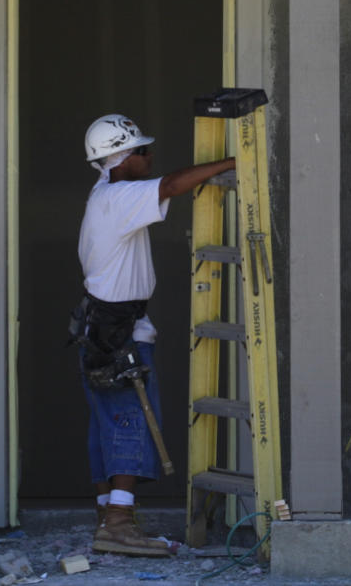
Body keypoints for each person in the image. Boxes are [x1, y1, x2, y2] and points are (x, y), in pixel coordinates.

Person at [76, 113, 235, 557]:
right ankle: (118, 523)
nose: (150, 156)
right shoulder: (118, 196)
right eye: (144, 151)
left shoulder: (105, 195)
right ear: (122, 158)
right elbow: (171, 185)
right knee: (129, 419)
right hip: (118, 334)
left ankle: (109, 513)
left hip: (105, 328)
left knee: (109, 421)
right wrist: (229, 163)